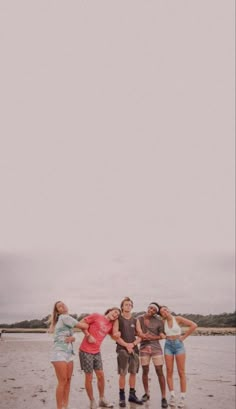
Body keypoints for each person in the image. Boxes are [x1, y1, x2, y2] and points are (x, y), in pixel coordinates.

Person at [49, 300, 89, 409]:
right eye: (59, 307)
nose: (62, 306)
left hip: (69, 353)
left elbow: (71, 335)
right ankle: (59, 407)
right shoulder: (64, 317)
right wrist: (91, 320)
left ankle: (65, 406)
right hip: (59, 353)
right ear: (58, 311)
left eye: (63, 304)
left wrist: (73, 338)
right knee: (62, 381)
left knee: (68, 381)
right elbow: (84, 326)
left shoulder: (67, 319)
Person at [79, 307, 121, 409]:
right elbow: (81, 323)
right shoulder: (96, 316)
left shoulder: (110, 325)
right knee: (89, 377)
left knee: (101, 376)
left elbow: (114, 336)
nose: (115, 315)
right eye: (115, 312)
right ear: (110, 310)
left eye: (117, 315)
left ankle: (102, 399)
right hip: (85, 351)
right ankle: (92, 401)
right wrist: (88, 335)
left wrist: (117, 335)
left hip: (97, 352)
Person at [159, 305, 198, 408]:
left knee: (181, 371)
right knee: (169, 371)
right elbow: (160, 332)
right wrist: (162, 335)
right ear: (161, 315)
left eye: (165, 309)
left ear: (169, 310)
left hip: (179, 345)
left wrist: (184, 337)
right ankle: (172, 396)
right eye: (162, 311)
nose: (165, 311)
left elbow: (194, 325)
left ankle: (182, 398)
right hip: (168, 346)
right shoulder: (163, 322)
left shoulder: (178, 319)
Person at [136, 302, 168, 409]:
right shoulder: (139, 318)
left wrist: (154, 337)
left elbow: (162, 335)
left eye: (154, 310)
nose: (151, 310)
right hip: (143, 348)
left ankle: (163, 397)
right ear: (148, 307)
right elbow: (138, 333)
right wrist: (144, 336)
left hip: (156, 349)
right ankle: (146, 394)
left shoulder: (159, 321)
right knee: (145, 371)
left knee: (160, 371)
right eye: (151, 308)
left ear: (156, 312)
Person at [112, 296, 143, 407]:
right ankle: (122, 397)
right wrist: (126, 345)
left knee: (133, 372)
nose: (128, 306)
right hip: (122, 349)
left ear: (132, 307)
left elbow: (140, 336)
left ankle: (132, 395)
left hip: (134, 349)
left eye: (130, 304)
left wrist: (133, 344)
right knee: (123, 373)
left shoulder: (136, 320)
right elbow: (115, 336)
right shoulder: (118, 319)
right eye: (126, 304)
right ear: (122, 306)